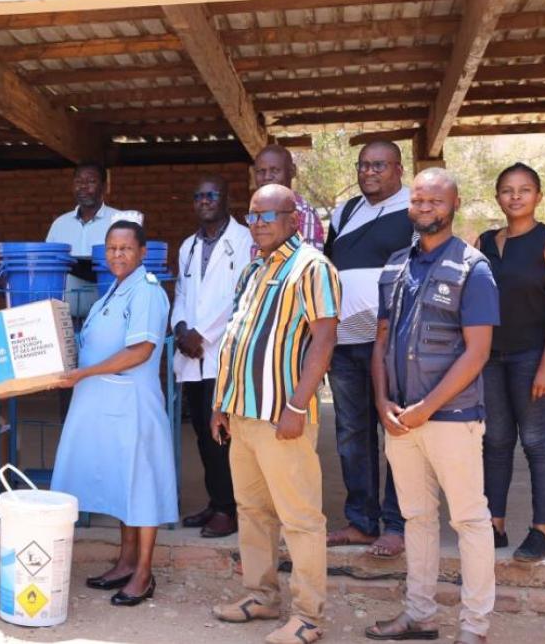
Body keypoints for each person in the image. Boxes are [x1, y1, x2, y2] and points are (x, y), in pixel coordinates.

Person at [365, 168, 498, 644]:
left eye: (434, 201)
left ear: (454, 205)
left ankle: (474, 628)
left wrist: (426, 407)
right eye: (418, 200)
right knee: (416, 519)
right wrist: (383, 401)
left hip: (452, 418)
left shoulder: (473, 269)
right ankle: (420, 615)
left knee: (469, 520)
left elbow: (477, 353)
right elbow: (380, 343)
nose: (425, 208)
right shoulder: (395, 265)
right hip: (400, 419)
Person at [212, 184, 339, 644]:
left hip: (281, 415)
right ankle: (261, 595)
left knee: (300, 517)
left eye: (268, 215)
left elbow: (324, 342)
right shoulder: (252, 269)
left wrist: (296, 405)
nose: (259, 223)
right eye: (252, 215)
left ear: (292, 218)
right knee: (252, 509)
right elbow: (237, 337)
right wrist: (222, 403)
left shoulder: (312, 267)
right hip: (243, 413)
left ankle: (309, 616)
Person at [53, 218, 178, 607]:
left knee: (139, 487)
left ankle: (143, 574)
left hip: (133, 405)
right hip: (109, 404)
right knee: (123, 485)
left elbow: (140, 350)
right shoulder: (114, 291)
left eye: (125, 248)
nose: (117, 255)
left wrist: (84, 372)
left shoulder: (147, 292)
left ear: (143, 253)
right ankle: (125, 563)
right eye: (111, 248)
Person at [477, 163, 545, 563]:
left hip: (533, 356)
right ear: (497, 196)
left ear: (538, 195)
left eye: (525, 189)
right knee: (495, 442)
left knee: (536, 441)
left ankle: (542, 531)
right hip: (490, 359)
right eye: (507, 190)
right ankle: (494, 526)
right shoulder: (483, 241)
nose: (515, 196)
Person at [324, 141, 414, 559]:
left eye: (378, 165)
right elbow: (328, 269)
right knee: (351, 434)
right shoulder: (344, 213)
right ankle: (361, 521)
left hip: (392, 339)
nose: (369, 172)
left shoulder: (416, 207)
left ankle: (397, 524)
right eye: (362, 165)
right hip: (344, 339)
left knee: (396, 430)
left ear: (398, 168)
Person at [169, 176, 252, 539]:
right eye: (198, 195)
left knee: (223, 433)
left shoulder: (245, 240)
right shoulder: (187, 246)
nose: (204, 201)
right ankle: (216, 501)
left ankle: (230, 508)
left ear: (226, 198)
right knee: (203, 433)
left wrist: (203, 334)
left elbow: (241, 295)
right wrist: (181, 328)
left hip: (221, 350)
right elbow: (182, 294)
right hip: (192, 353)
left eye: (211, 195)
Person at [46, 163, 119, 317]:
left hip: (109, 312)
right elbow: (48, 266)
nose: (83, 187)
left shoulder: (119, 222)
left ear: (104, 187)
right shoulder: (60, 224)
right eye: (79, 182)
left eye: (91, 181)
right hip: (67, 315)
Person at [251, 145, 325, 252]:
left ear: (292, 171)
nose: (267, 177)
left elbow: (309, 265)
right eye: (260, 171)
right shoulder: (255, 214)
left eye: (275, 170)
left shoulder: (304, 214)